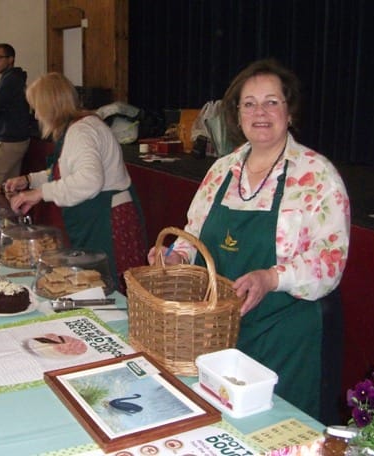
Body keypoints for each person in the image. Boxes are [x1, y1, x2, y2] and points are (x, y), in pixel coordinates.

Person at [147, 59, 350, 424]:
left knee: (281, 430)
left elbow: (329, 261)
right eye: (250, 104)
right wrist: (175, 258)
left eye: (272, 102)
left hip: (286, 334)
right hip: (219, 331)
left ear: (289, 112)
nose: (260, 112)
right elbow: (192, 233)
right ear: (237, 115)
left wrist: (270, 278)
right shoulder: (221, 170)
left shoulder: (318, 175)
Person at [5, 73, 147, 292]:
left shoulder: (81, 131)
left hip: (107, 222)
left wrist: (39, 193)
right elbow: (64, 171)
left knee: (110, 288)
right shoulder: (78, 127)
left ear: (50, 106)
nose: (36, 115)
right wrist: (30, 180)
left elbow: (89, 180)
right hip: (99, 217)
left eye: (37, 108)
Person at [0, 43, 30, 187]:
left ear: (11, 59)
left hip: (8, 139)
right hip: (19, 138)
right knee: (9, 187)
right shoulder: (17, 78)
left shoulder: (10, 79)